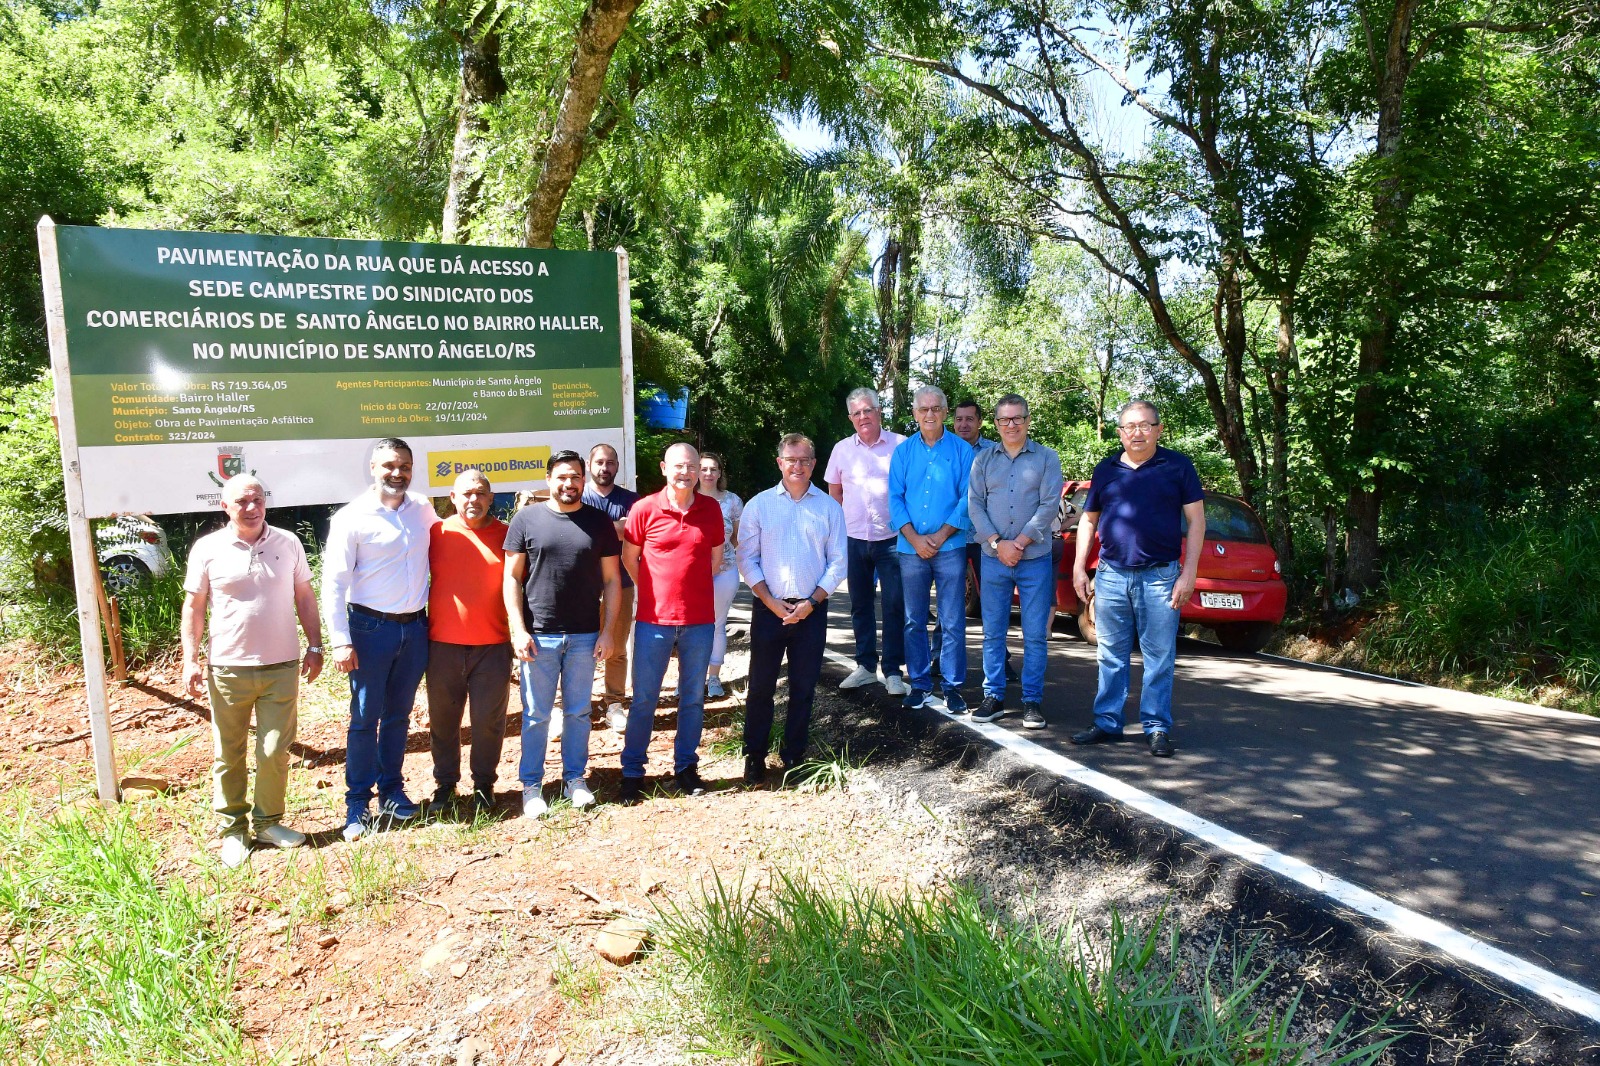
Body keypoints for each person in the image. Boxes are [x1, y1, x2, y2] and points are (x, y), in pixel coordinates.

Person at [181, 475, 322, 868]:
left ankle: (268, 822)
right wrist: (190, 659)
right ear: (225, 506)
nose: (251, 507)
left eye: (257, 499)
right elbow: (193, 607)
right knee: (229, 753)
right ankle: (232, 831)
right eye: (241, 501)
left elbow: (304, 596)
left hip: (281, 666)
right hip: (228, 667)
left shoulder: (288, 542)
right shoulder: (207, 549)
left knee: (276, 749)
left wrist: (315, 645)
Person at [1070, 400, 1205, 758]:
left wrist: (1188, 573)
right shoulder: (1106, 469)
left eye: (1145, 425)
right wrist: (1079, 566)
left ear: (1159, 430)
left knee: (1159, 656)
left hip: (1161, 577)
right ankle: (1107, 722)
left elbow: (1197, 522)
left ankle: (1157, 727)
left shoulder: (1177, 466)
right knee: (1110, 654)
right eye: (1130, 426)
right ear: (1120, 432)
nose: (1137, 432)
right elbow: (1088, 520)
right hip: (1112, 575)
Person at [323, 437, 440, 840]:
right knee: (364, 718)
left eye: (404, 466)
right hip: (369, 630)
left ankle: (391, 789)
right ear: (373, 467)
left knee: (398, 716)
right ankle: (357, 803)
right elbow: (334, 585)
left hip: (415, 627)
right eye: (389, 465)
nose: (397, 473)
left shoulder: (422, 509)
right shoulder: (351, 517)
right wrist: (340, 639)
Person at [503, 450, 621, 815]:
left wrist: (608, 631)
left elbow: (613, 581)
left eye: (575, 477)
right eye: (561, 477)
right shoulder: (526, 520)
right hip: (539, 637)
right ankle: (532, 786)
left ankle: (575, 780)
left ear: (583, 481)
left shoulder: (599, 523)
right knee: (537, 715)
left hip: (586, 636)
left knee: (578, 713)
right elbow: (511, 579)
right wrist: (517, 630)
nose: (568, 483)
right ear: (549, 480)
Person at [736, 434, 847, 782]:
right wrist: (769, 600)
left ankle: (794, 756)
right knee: (761, 687)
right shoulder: (759, 505)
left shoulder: (829, 508)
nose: (797, 466)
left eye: (804, 460)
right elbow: (746, 558)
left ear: (814, 464)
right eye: (791, 459)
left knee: (803, 687)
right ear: (779, 462)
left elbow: (838, 562)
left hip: (811, 611)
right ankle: (754, 755)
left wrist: (812, 603)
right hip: (769, 609)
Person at [618, 442, 725, 802]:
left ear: (700, 470)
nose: (686, 473)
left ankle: (685, 768)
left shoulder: (711, 509)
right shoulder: (644, 509)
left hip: (699, 621)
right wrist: (655, 592)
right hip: (653, 621)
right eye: (679, 466)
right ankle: (632, 772)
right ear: (664, 468)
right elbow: (630, 559)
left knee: (693, 698)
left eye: (692, 466)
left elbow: (714, 560)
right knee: (644, 699)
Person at [969, 395, 1063, 729]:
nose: (1011, 425)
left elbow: (1050, 504)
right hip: (993, 558)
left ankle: (1031, 702)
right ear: (995, 423)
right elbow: (975, 506)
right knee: (992, 632)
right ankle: (992, 696)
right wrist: (997, 542)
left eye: (1017, 418)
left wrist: (1020, 542)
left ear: (1027, 419)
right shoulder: (983, 460)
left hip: (1034, 558)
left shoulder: (1047, 458)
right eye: (1004, 420)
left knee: (1035, 634)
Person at [425, 469, 510, 817]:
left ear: (491, 498)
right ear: (453, 497)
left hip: (493, 644)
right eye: (466, 494)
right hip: (442, 644)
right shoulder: (436, 533)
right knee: (443, 720)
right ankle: (445, 784)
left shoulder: (508, 535)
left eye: (480, 493)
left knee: (489, 720)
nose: (473, 500)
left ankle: (483, 784)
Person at [888, 385, 975, 713]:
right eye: (923, 409)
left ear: (945, 411)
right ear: (914, 413)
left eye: (935, 408)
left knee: (952, 619)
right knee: (913, 620)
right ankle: (920, 683)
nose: (929, 414)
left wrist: (939, 536)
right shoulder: (903, 452)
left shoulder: (963, 451)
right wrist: (914, 537)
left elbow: (968, 497)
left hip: (950, 546)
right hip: (910, 549)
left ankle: (953, 686)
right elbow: (894, 497)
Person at [823, 387, 908, 696]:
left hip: (894, 540)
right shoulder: (841, 449)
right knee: (860, 604)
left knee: (895, 605)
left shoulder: (901, 445)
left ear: (878, 412)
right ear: (850, 418)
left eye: (867, 410)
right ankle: (865, 667)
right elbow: (835, 494)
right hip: (855, 538)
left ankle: (894, 671)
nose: (863, 417)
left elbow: (911, 490)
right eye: (856, 413)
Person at [583, 443, 638, 731]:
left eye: (611, 463)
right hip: (582, 585)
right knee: (580, 646)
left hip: (623, 581)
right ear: (590, 465)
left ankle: (614, 703)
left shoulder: (632, 500)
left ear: (617, 466)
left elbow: (635, 534)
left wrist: (596, 528)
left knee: (616, 645)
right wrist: (615, 527)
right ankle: (576, 705)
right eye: (599, 462)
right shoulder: (578, 496)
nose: (605, 468)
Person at [699, 452, 743, 699]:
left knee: (716, 624)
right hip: (690, 575)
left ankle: (713, 678)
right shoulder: (688, 498)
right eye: (703, 469)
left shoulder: (732, 502)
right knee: (686, 628)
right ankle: (688, 680)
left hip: (724, 572)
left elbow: (738, 538)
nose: (708, 474)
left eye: (713, 469)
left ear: (719, 473)